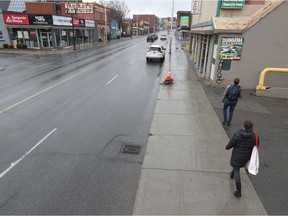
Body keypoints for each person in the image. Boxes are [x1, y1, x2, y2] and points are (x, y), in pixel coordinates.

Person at [225, 120, 259, 198]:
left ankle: (238, 192)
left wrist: (227, 147)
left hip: (237, 155)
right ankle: (232, 174)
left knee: (237, 169)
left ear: (243, 126)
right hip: (246, 156)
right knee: (237, 166)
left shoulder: (238, 134)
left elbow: (231, 143)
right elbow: (256, 146)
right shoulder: (255, 136)